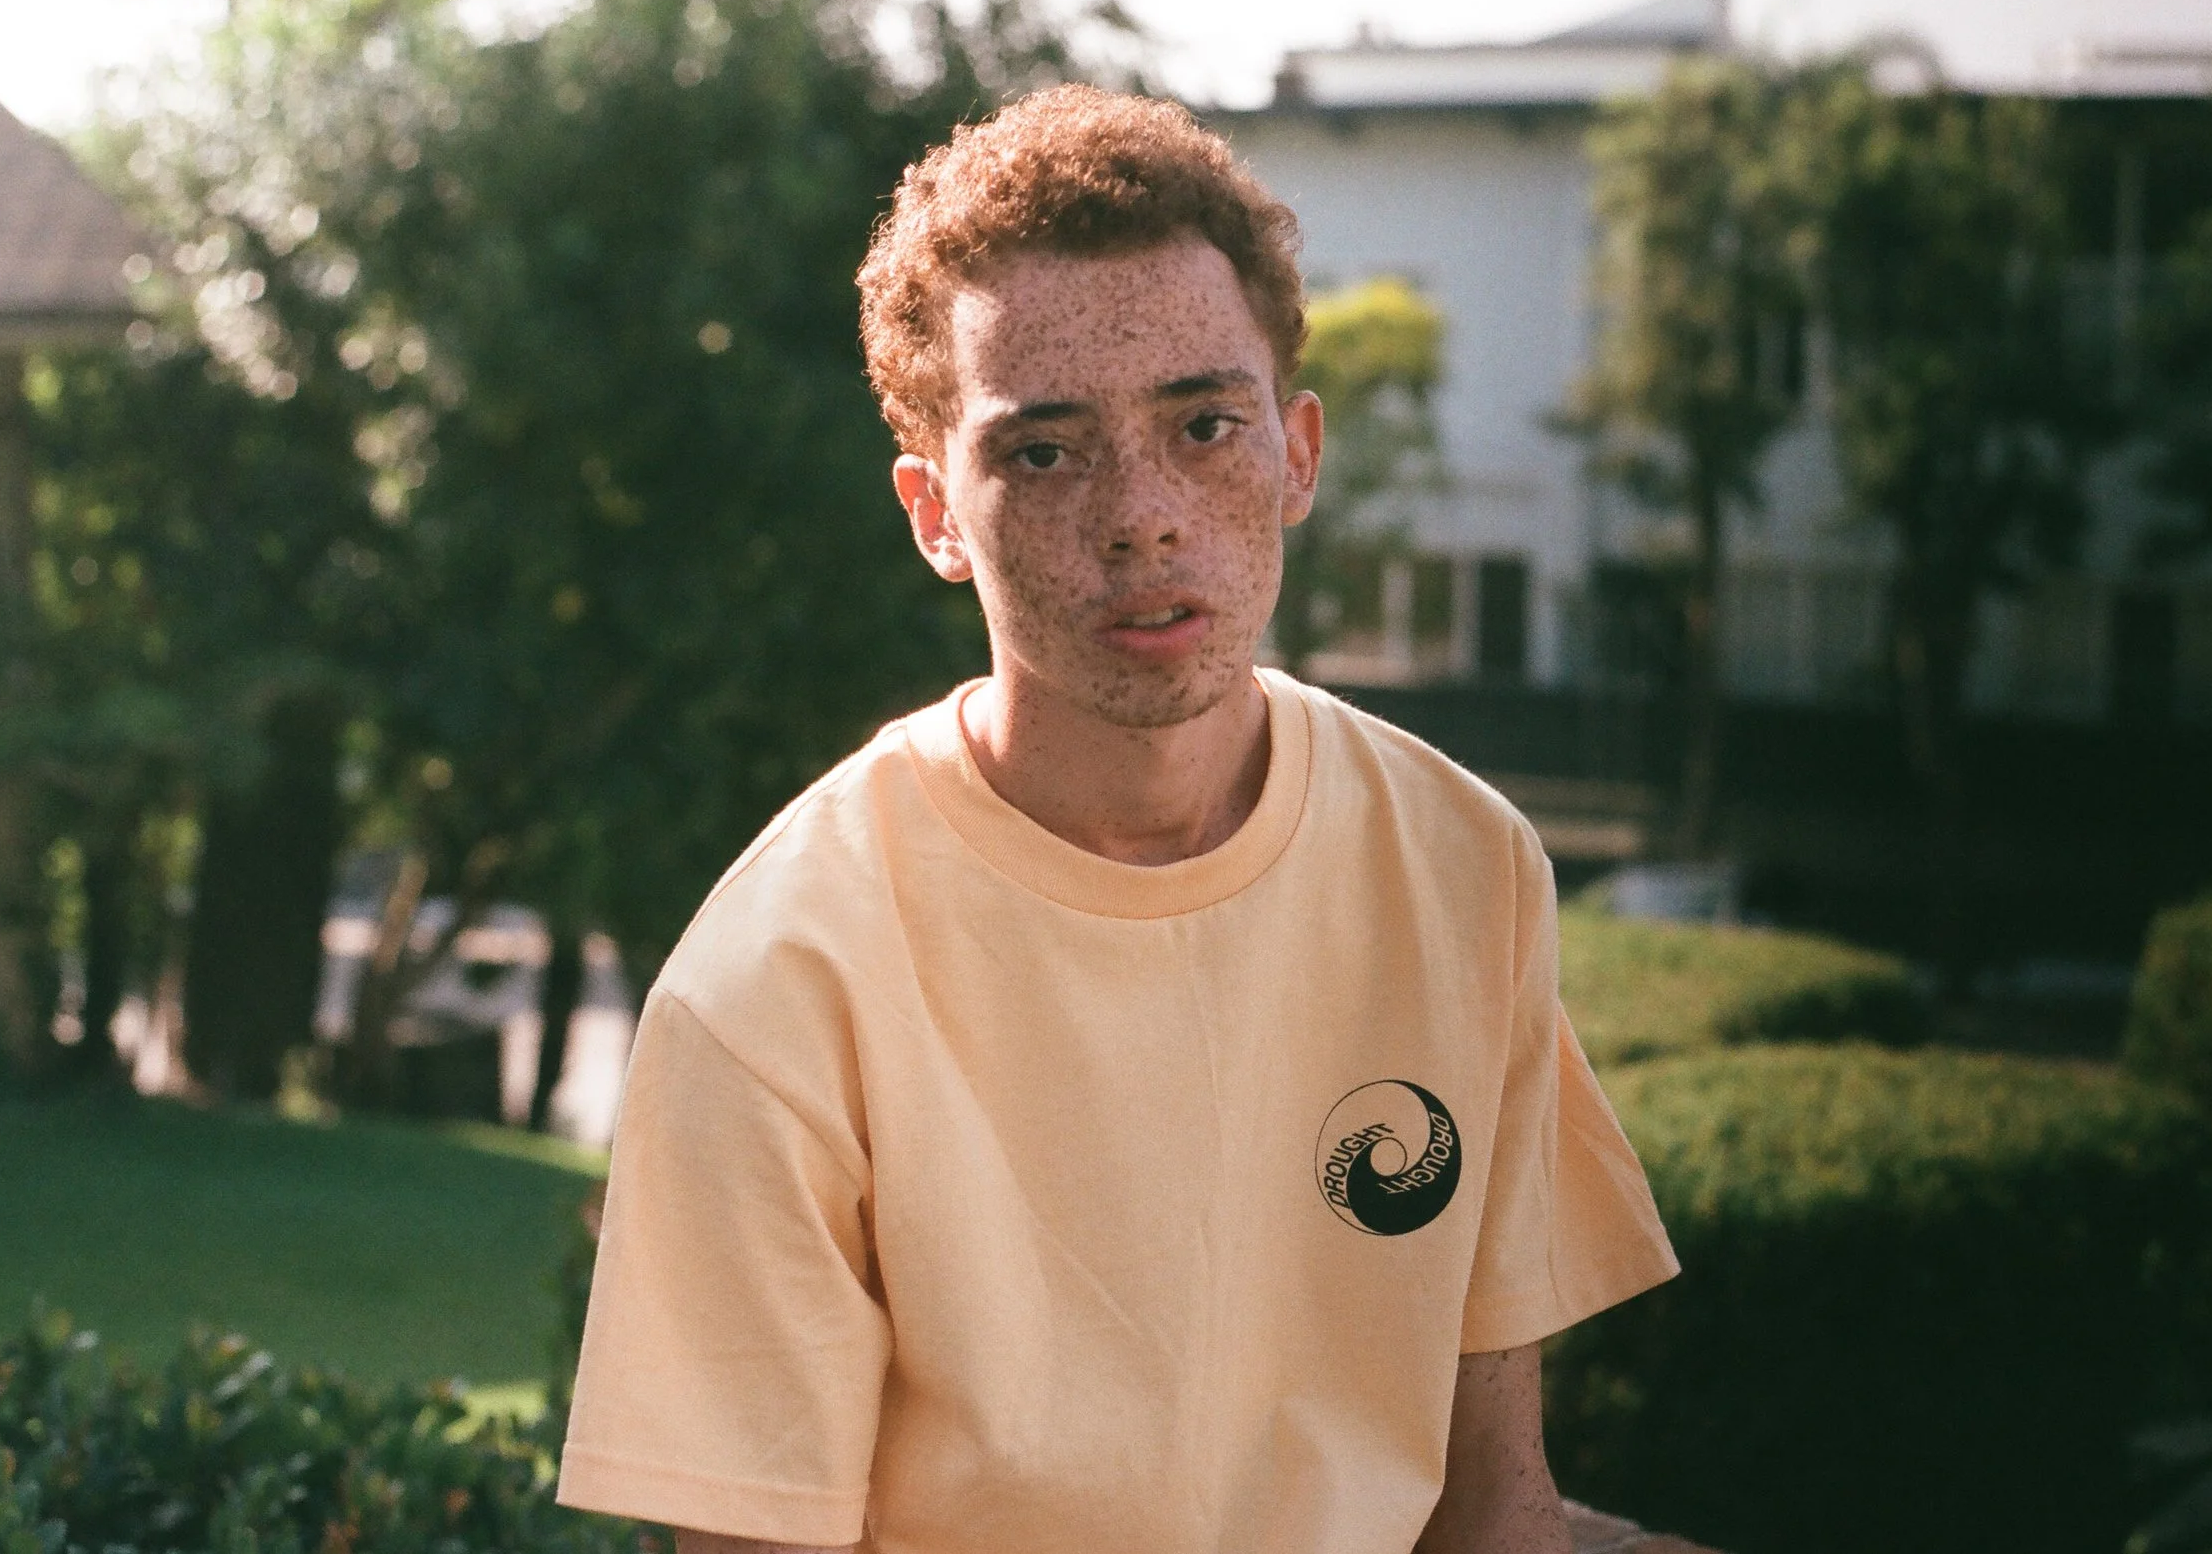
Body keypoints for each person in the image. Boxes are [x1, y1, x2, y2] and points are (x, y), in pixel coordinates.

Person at [555, 84, 1678, 1554]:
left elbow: (1492, 1495)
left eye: (1204, 425)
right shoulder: (775, 985)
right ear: (935, 514)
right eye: (1044, 451)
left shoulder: (1461, 864)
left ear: (1297, 453)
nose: (1143, 513)